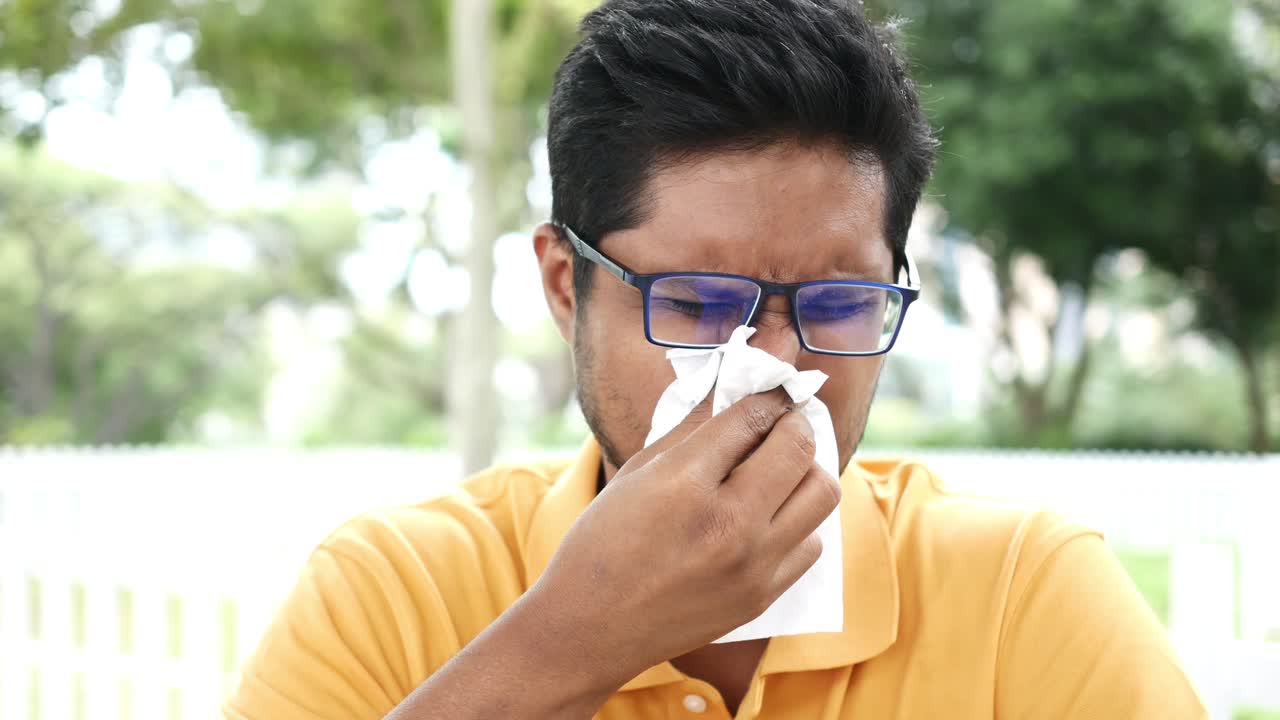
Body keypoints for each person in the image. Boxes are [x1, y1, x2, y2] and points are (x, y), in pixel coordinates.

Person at [224, 1, 1206, 718]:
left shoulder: (1018, 594)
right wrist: (572, 639)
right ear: (566, 284)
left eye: (838, 303)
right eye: (697, 302)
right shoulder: (396, 592)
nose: (777, 365)